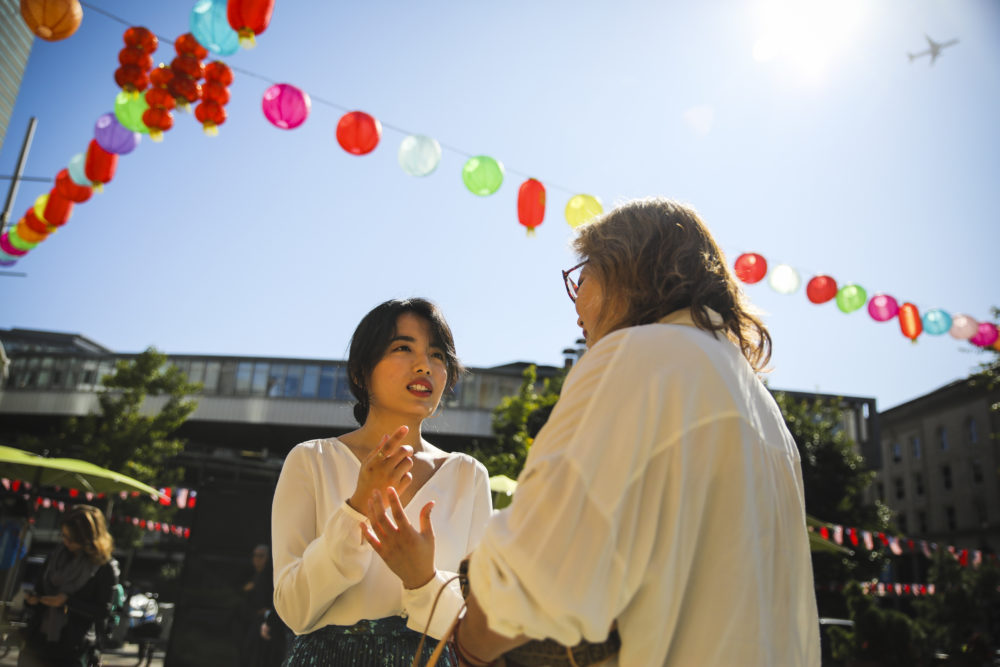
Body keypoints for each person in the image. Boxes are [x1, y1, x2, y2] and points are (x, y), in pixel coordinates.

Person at [449, 198, 821, 665]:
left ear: (623, 270)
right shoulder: (762, 407)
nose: (576, 308)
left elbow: (536, 579)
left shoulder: (636, 356)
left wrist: (464, 646)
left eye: (580, 278)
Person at [272, 298, 492, 666]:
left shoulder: (469, 476)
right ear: (361, 371)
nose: (425, 365)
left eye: (437, 355)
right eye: (403, 347)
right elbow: (294, 610)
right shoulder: (311, 460)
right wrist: (356, 510)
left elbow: (481, 626)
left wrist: (423, 580)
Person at [19, 505, 119, 667]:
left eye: (72, 538)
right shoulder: (55, 557)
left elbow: (103, 611)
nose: (66, 542)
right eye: (63, 535)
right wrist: (32, 600)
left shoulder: (104, 567)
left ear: (88, 538)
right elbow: (39, 591)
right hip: (37, 641)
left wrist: (67, 602)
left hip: (72, 649)